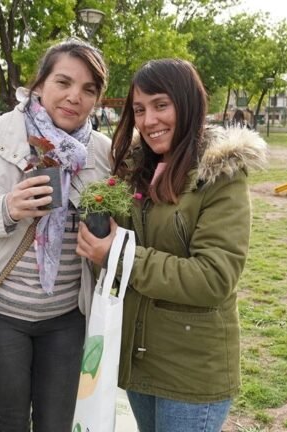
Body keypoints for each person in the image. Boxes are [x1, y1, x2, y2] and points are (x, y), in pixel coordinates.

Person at [76, 59, 267, 432]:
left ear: (188, 103)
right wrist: (98, 245)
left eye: (161, 105)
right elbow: (115, 261)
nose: (149, 121)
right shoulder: (136, 172)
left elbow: (213, 278)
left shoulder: (220, 176)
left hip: (191, 371)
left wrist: (119, 256)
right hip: (139, 362)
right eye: (139, 110)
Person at [0, 39, 110, 431]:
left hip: (68, 318)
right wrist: (7, 209)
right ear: (39, 84)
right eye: (63, 82)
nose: (73, 97)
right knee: (7, 423)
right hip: (0, 316)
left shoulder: (101, 151)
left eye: (88, 90)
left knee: (57, 424)